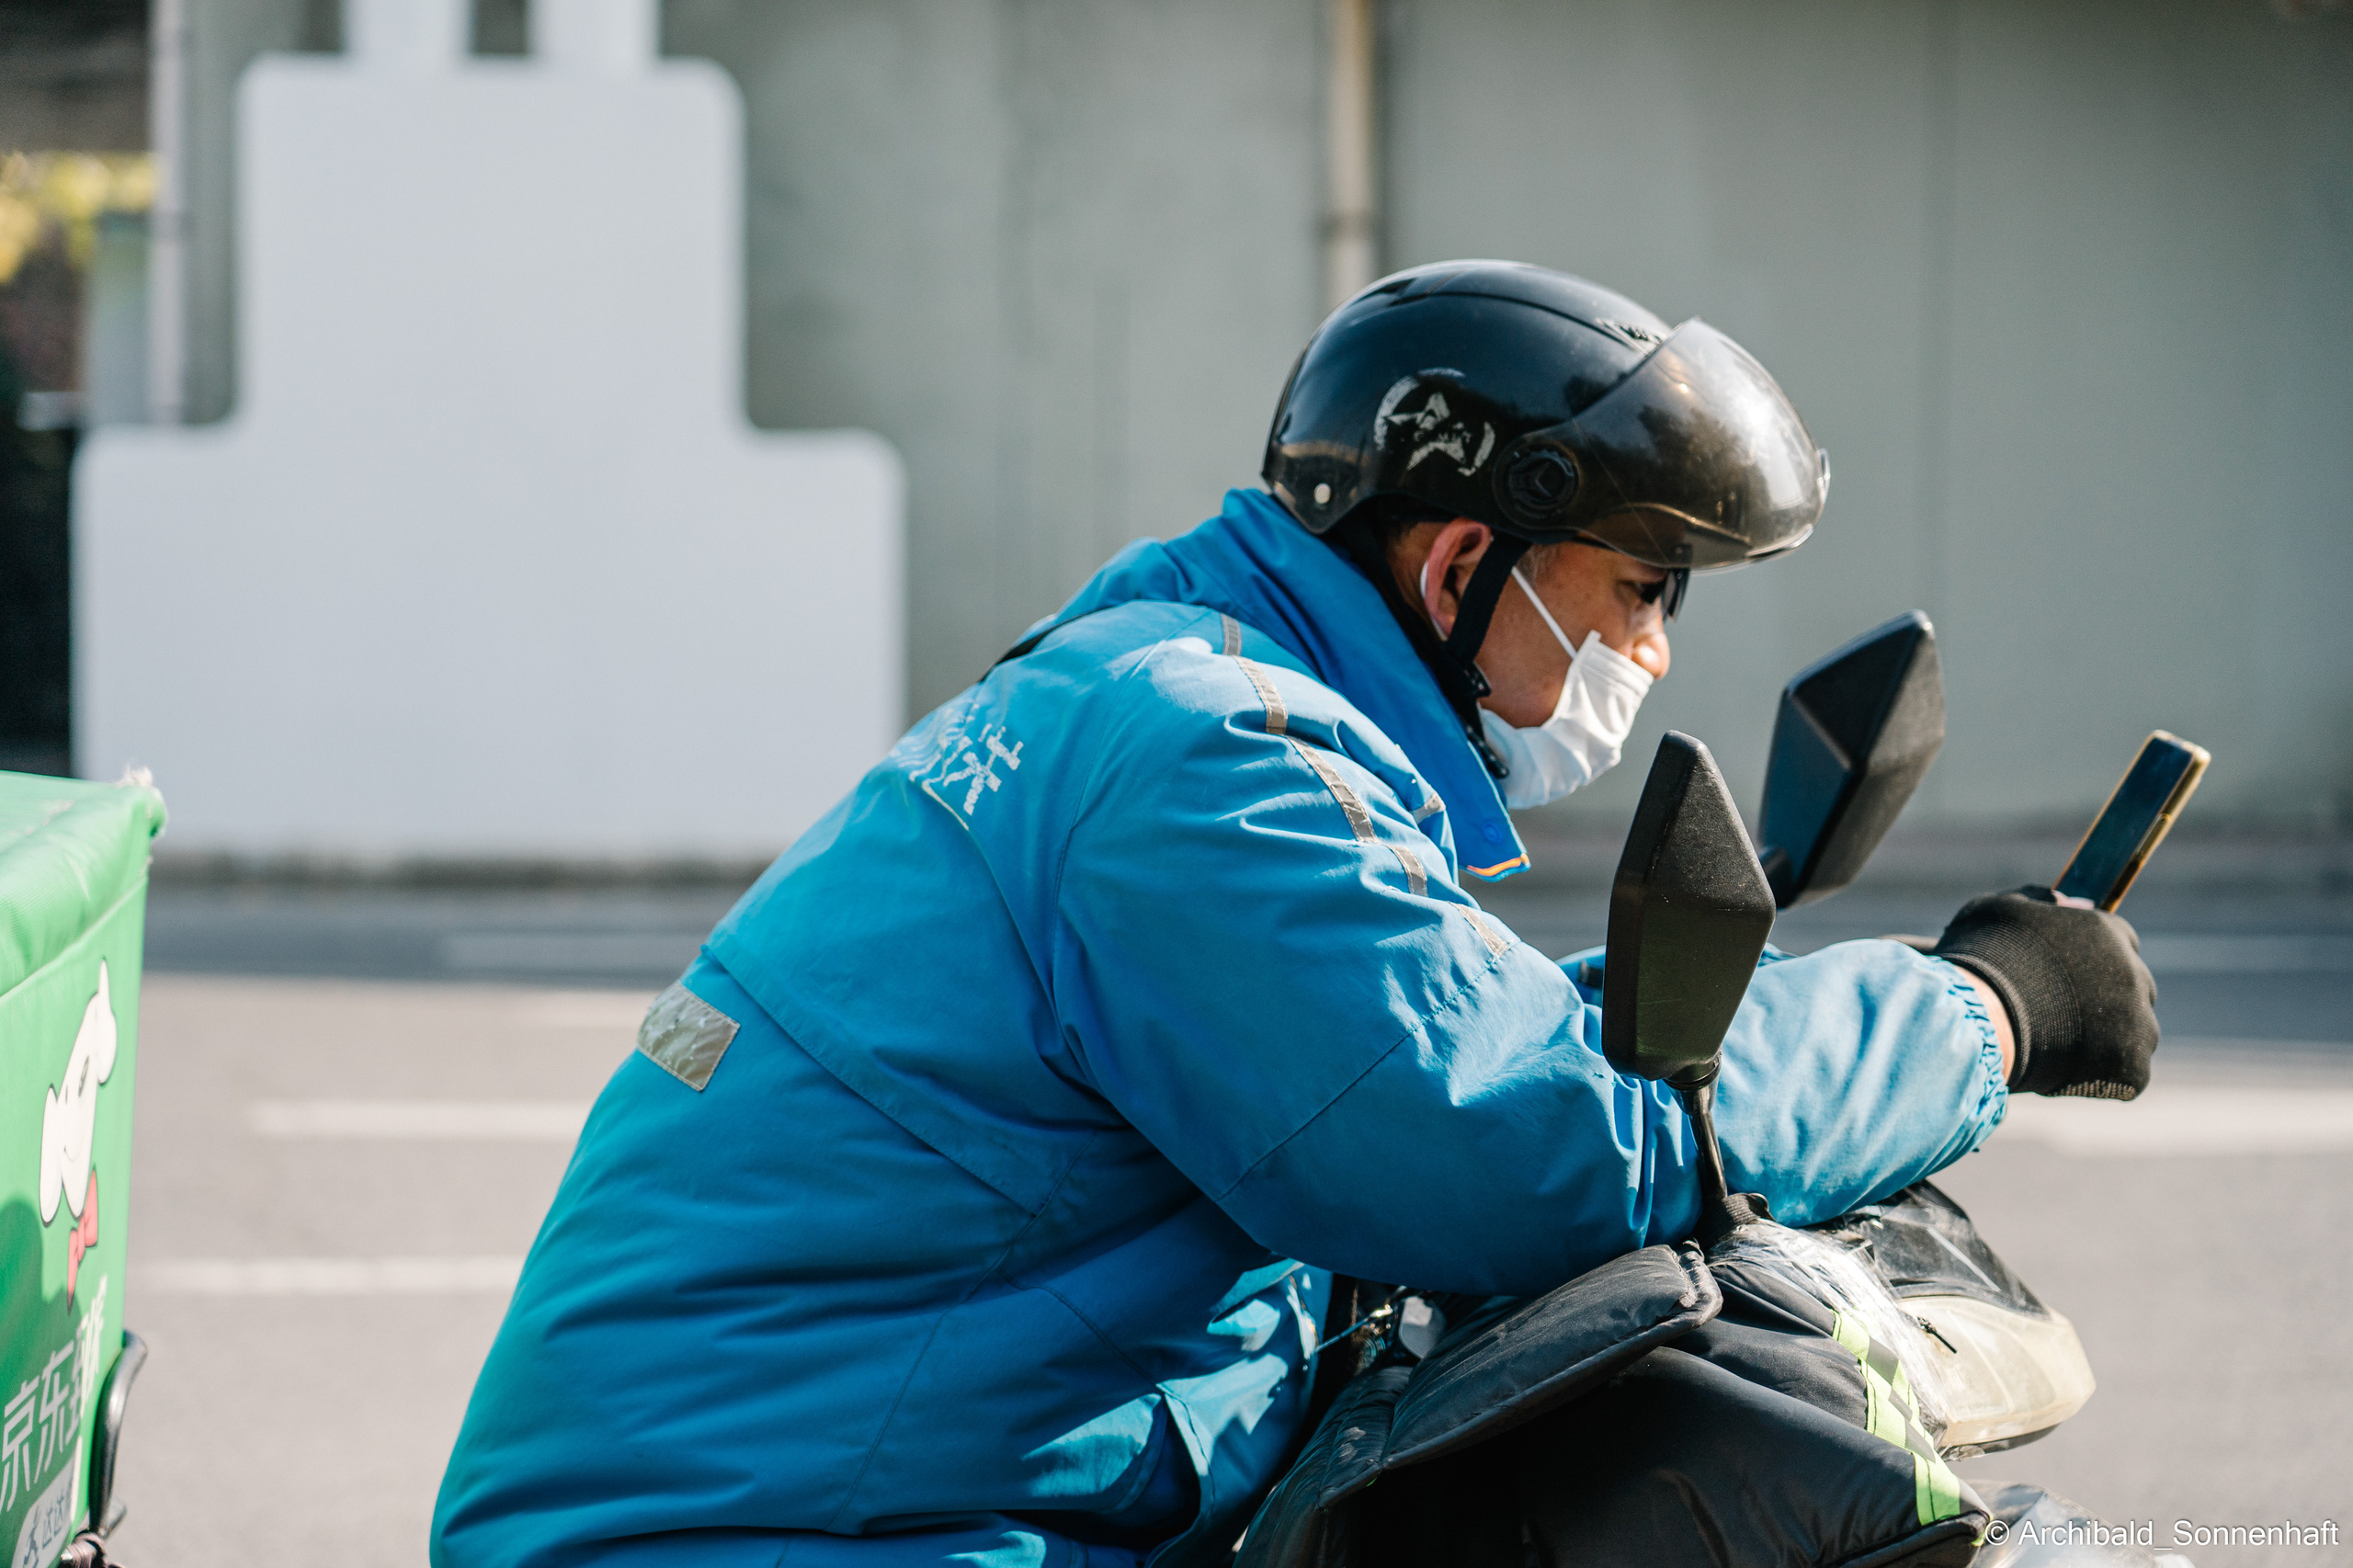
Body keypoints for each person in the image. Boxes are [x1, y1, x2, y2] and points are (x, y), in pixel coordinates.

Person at [430, 262, 2158, 1568]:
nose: (1653, 648)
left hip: (852, 1494)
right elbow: (1535, 1138)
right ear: (1457, 561)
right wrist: (1978, 1013)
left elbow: (1422, 1049)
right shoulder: (1200, 754)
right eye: (1637, 588)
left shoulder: (1162, 692)